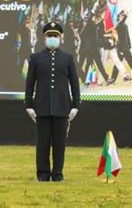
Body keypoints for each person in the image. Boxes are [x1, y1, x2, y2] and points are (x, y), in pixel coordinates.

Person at [24, 22, 80, 182]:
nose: (53, 38)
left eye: (55, 36)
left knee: (59, 144)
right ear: (44, 38)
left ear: (61, 38)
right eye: (50, 36)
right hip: (41, 108)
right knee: (42, 143)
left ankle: (57, 174)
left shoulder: (68, 58)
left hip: (62, 108)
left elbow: (74, 83)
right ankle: (42, 174)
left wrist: (76, 105)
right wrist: (28, 105)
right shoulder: (36, 58)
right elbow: (30, 83)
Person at [110, 11, 132, 83]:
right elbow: (122, 19)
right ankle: (113, 79)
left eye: (123, 16)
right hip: (120, 48)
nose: (123, 16)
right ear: (119, 18)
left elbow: (127, 37)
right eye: (122, 16)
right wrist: (125, 14)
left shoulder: (124, 25)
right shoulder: (118, 24)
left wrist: (129, 45)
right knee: (117, 64)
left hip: (126, 48)